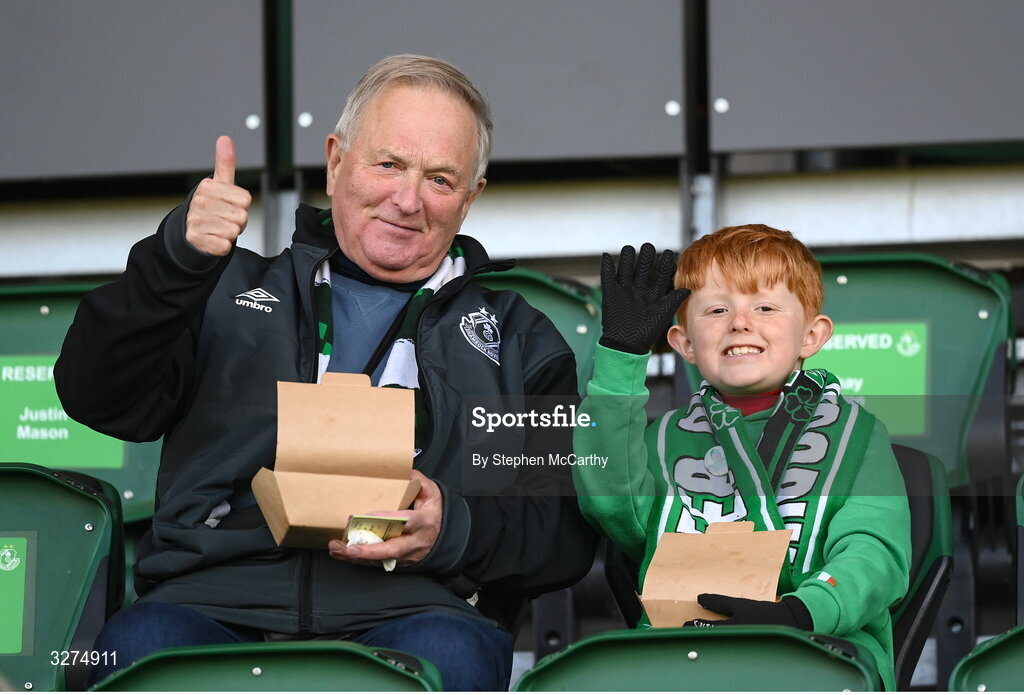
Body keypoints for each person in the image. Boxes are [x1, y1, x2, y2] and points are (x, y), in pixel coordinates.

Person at [55, 54, 596, 691]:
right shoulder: (223, 289)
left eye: (440, 179)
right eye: (388, 163)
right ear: (336, 161)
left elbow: (555, 535)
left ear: (471, 197)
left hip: (414, 608)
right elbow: (97, 395)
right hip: (209, 601)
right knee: (135, 647)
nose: (407, 199)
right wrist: (177, 260)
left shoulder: (516, 339)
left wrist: (449, 528)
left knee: (450, 655)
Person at [573, 226, 911, 690]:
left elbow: (875, 556)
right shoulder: (662, 438)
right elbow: (609, 501)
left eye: (766, 307)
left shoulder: (859, 434)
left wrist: (799, 612)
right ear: (684, 343)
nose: (740, 322)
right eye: (716, 309)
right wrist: (620, 358)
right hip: (678, 656)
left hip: (821, 650)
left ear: (812, 336)